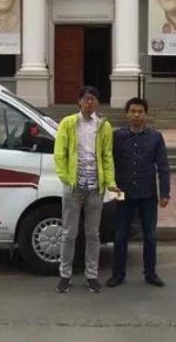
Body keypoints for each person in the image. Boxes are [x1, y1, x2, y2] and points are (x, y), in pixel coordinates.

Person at [53, 85, 119, 294]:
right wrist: (65, 178)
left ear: (98, 103)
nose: (90, 103)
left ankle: (92, 276)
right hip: (73, 187)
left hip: (95, 187)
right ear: (79, 101)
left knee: (93, 234)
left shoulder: (104, 127)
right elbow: (59, 153)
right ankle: (65, 275)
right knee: (68, 233)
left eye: (93, 99)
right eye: (86, 99)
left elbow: (107, 156)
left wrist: (110, 182)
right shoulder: (68, 123)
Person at [107, 97, 170, 288]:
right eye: (132, 111)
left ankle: (150, 273)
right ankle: (118, 274)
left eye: (140, 112)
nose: (136, 115)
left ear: (146, 114)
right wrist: (109, 186)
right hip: (121, 192)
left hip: (148, 193)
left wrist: (165, 192)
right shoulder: (117, 137)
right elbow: (108, 161)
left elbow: (163, 166)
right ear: (127, 114)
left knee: (150, 235)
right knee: (120, 235)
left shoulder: (155, 137)